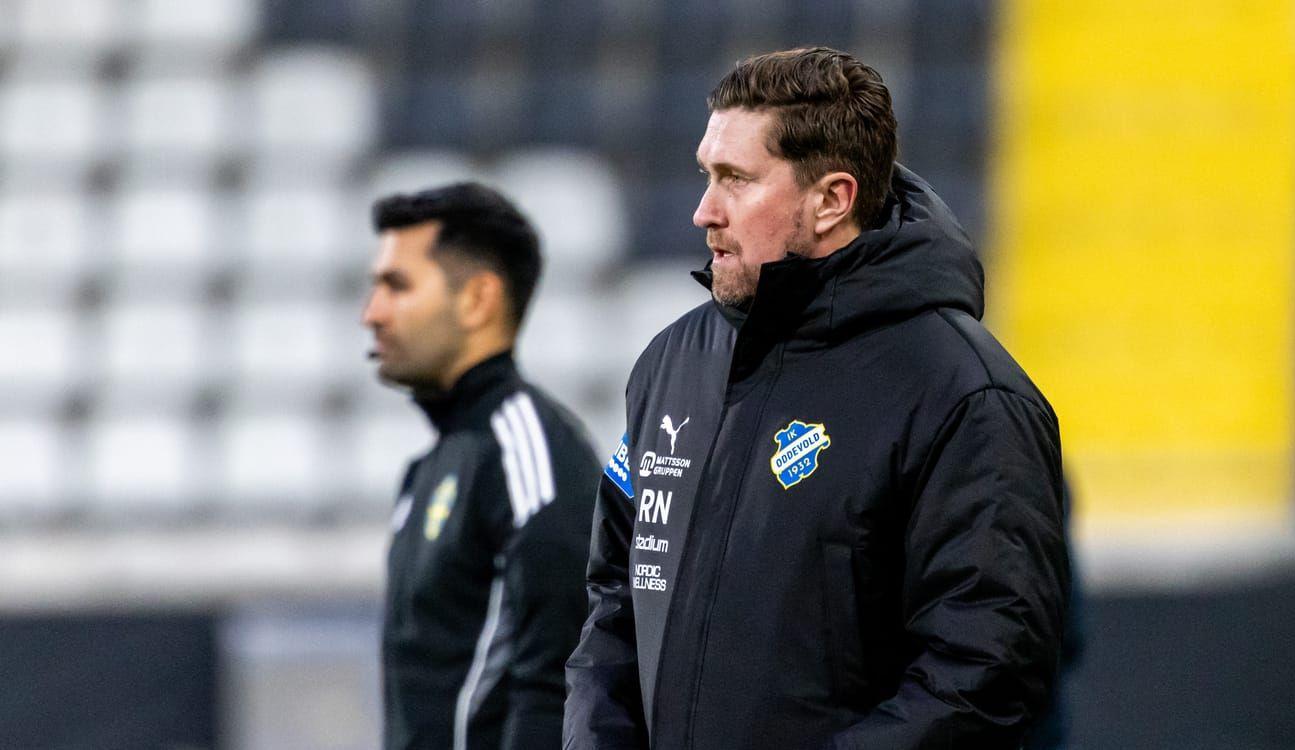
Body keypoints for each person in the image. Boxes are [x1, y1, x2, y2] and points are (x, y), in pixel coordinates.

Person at [564, 48, 1071, 750]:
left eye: (736, 179)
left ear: (831, 200)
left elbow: (986, 673)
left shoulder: (966, 396)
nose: (704, 211)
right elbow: (614, 606)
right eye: (706, 175)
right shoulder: (671, 364)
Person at [363, 182, 596, 750]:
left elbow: (556, 681)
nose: (372, 314)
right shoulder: (431, 467)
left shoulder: (529, 450)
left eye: (397, 286)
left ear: (477, 300)